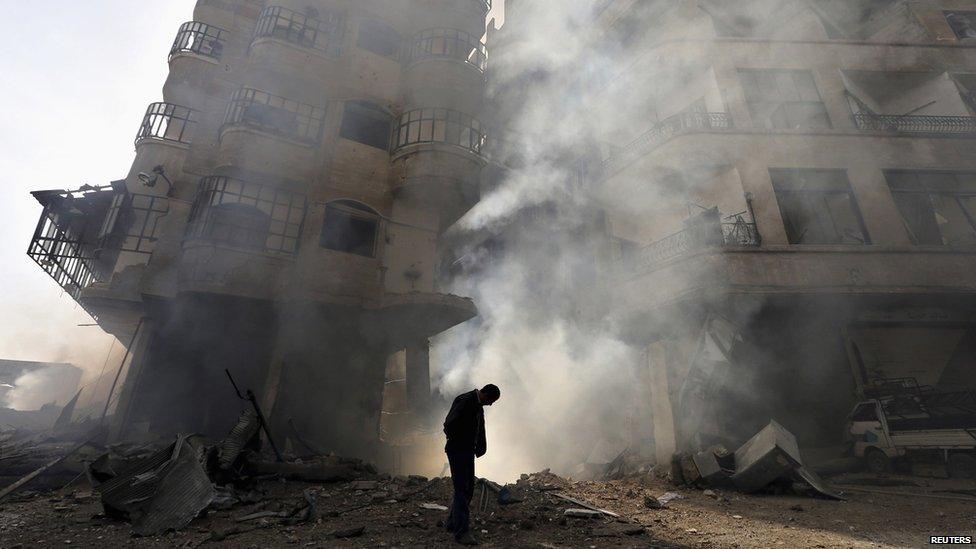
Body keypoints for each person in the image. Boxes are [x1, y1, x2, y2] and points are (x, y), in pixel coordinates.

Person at [443, 384, 501, 545]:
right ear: (486, 394)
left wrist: (477, 447)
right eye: (491, 401)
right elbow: (449, 425)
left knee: (467, 489)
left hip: (466, 452)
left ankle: (453, 524)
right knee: (462, 490)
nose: (490, 404)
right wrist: (460, 442)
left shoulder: (476, 404)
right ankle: (461, 533)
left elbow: (477, 428)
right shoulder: (466, 401)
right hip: (458, 451)